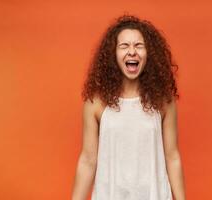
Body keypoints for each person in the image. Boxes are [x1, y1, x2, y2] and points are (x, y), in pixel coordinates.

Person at [71, 14, 186, 200]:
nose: (132, 51)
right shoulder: (96, 103)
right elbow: (88, 160)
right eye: (124, 46)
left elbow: (172, 156)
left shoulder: (163, 101)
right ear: (113, 54)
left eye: (139, 45)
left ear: (149, 54)